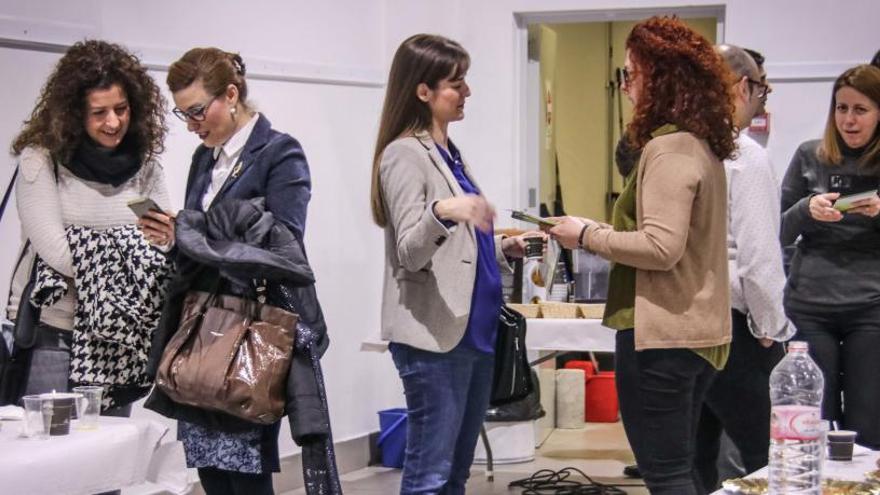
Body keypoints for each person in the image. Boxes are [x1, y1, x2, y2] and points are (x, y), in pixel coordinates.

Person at [548, 17, 736, 494]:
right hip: (692, 334)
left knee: (667, 474)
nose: (627, 86)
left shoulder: (669, 149)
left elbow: (659, 248)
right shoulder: (698, 146)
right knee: (683, 469)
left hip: (664, 337)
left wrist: (587, 234)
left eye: (631, 73)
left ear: (660, 77)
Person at [142, 47, 336, 495]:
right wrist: (174, 239)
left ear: (231, 95)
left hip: (252, 334)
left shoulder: (280, 153)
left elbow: (282, 247)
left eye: (196, 111)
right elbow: (200, 249)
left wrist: (192, 232)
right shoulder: (203, 158)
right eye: (183, 114)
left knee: (246, 476)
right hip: (202, 333)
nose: (191, 125)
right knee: (212, 474)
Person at [371, 34, 536, 495]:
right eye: (456, 84)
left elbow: (459, 251)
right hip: (435, 337)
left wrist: (505, 251)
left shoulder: (448, 151)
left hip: (475, 331)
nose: (467, 92)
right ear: (423, 91)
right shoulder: (403, 153)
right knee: (430, 476)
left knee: (455, 475)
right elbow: (409, 249)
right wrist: (444, 211)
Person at [7, 39, 172, 415]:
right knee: (50, 449)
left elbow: (161, 246)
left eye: (121, 109)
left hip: (119, 338)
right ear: (73, 114)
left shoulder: (143, 165)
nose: (113, 122)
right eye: (98, 113)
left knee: (106, 456)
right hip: (54, 330)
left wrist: (120, 248)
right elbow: (57, 251)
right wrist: (131, 250)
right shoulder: (41, 161)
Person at [694, 45, 793, 492]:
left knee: (695, 462)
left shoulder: (676, 148)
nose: (761, 100)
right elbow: (758, 258)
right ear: (740, 87)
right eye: (761, 89)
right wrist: (772, 322)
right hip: (738, 327)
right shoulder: (745, 156)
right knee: (769, 457)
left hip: (686, 325)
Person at [780, 64, 880, 449]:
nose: (849, 120)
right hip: (810, 306)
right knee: (809, 419)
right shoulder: (810, 155)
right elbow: (780, 229)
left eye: (860, 110)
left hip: (870, 308)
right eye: (841, 109)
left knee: (866, 422)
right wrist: (807, 209)